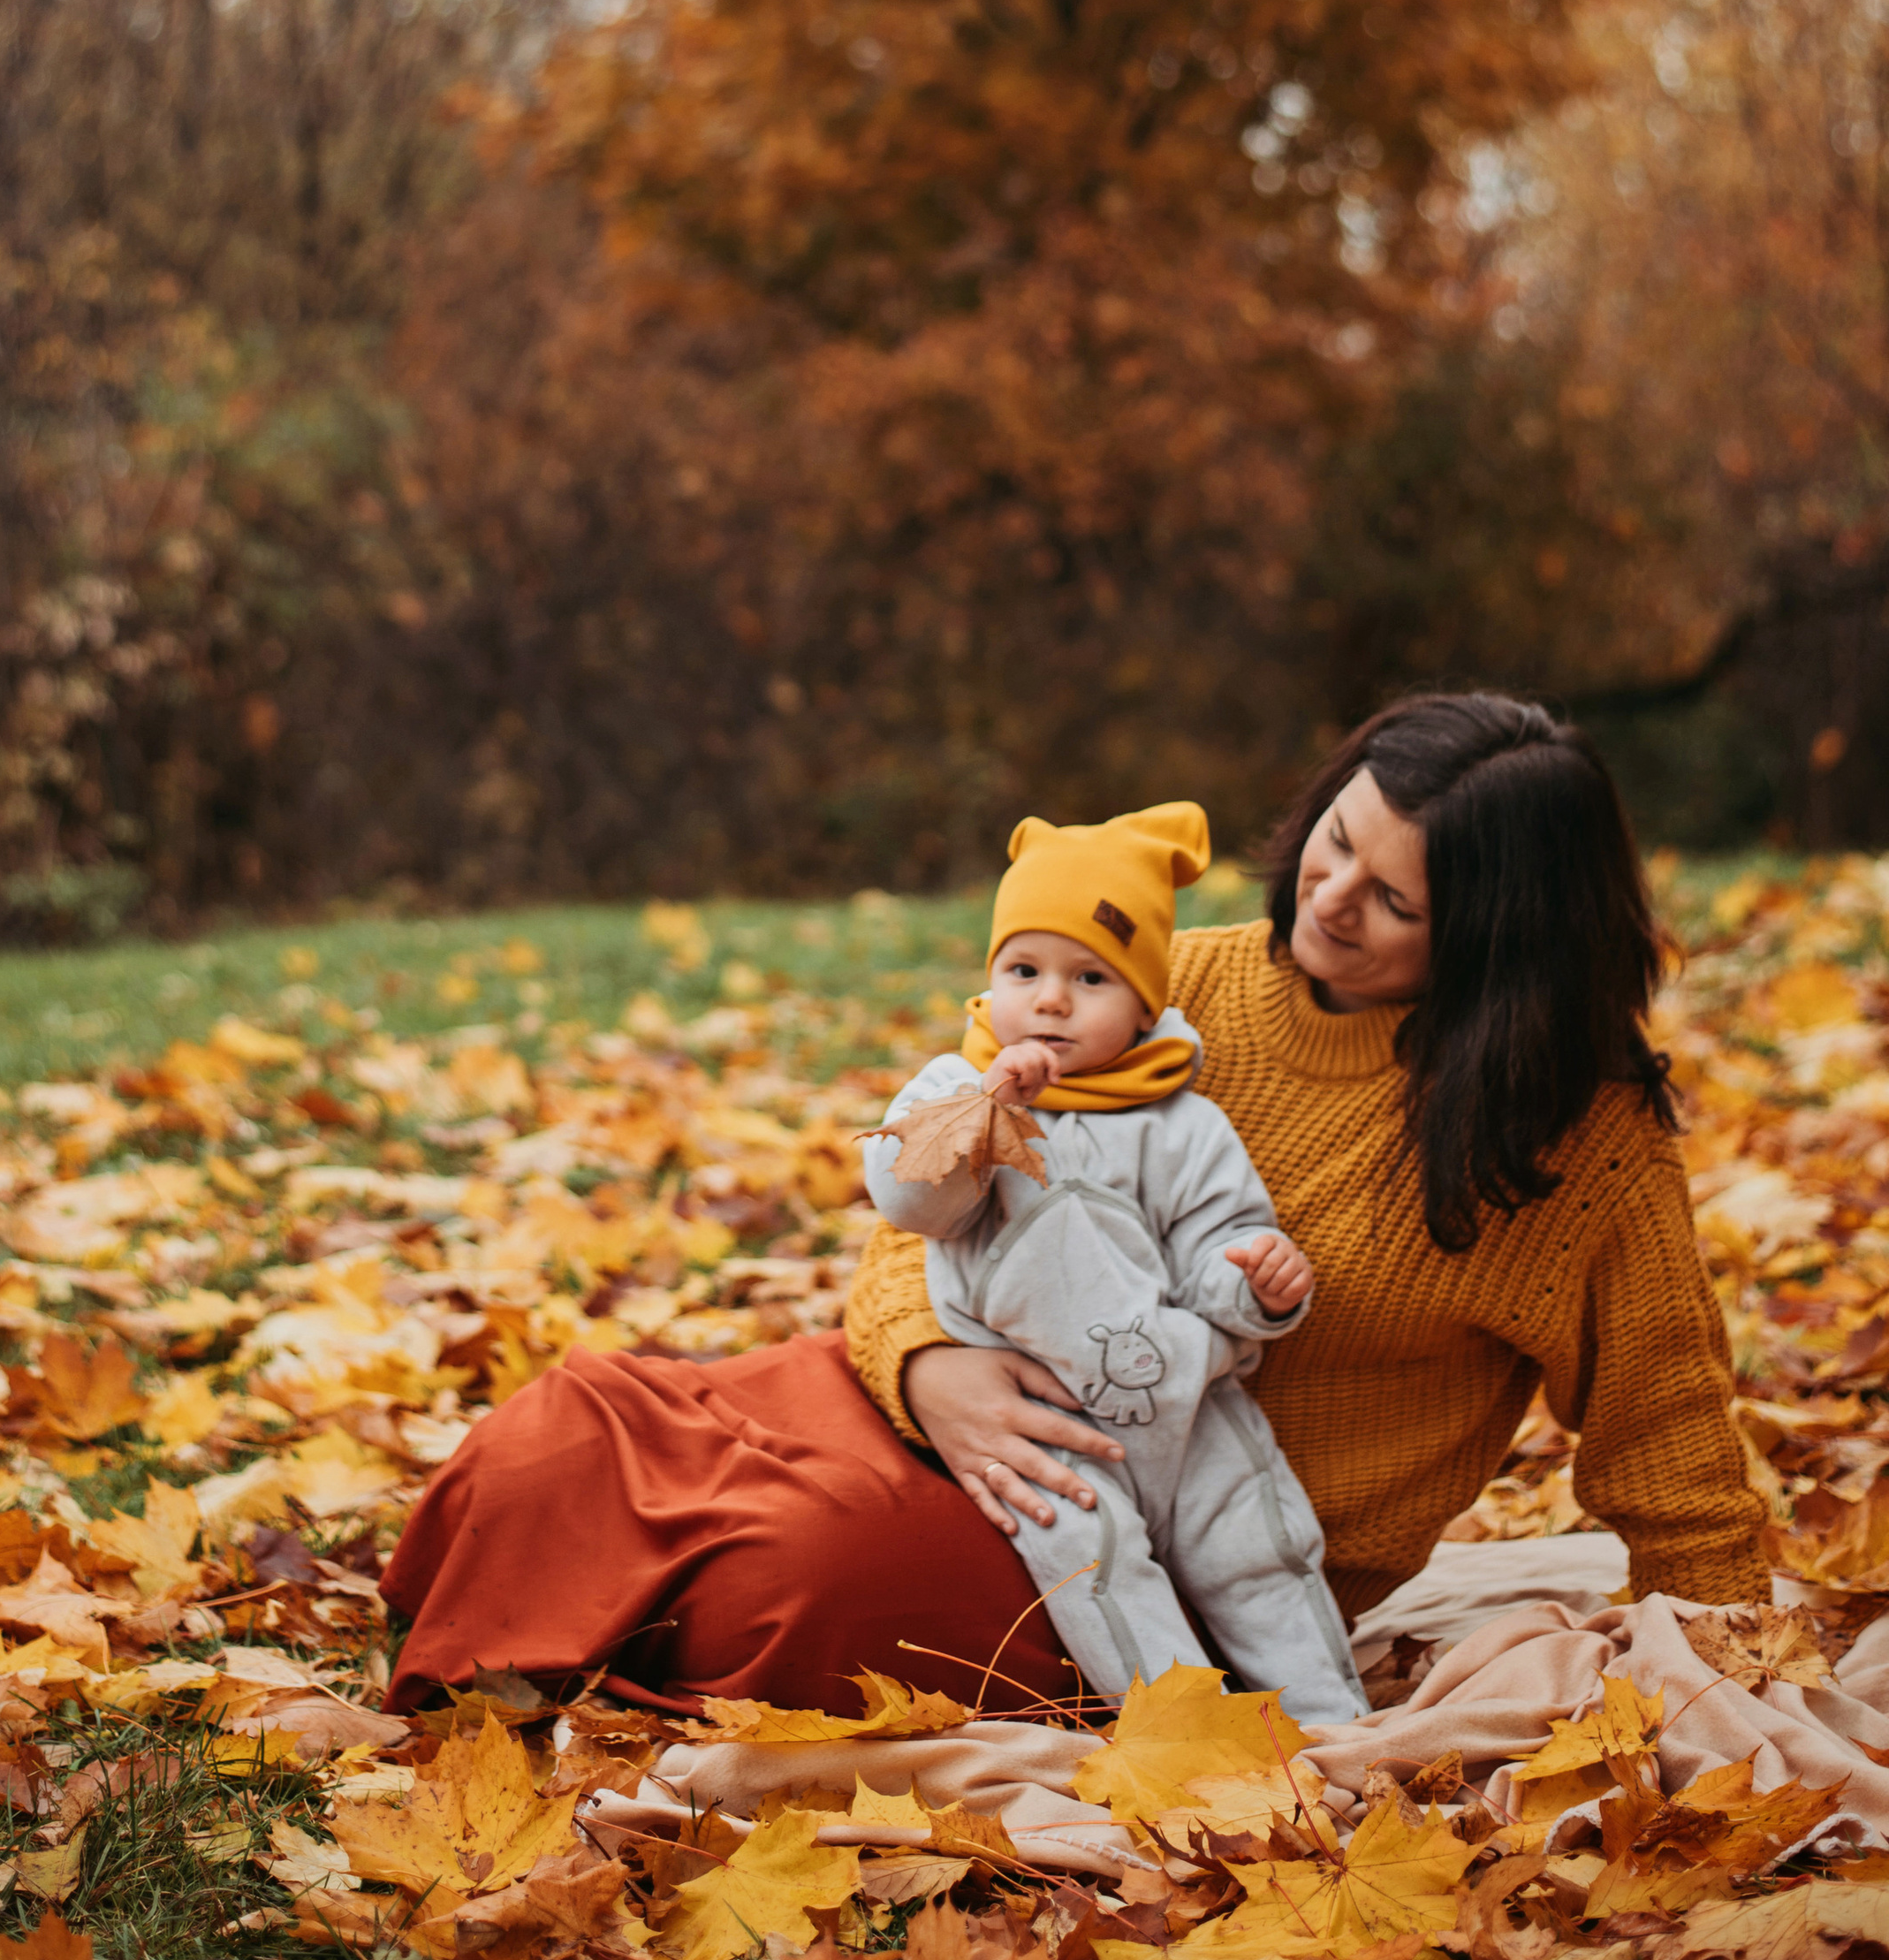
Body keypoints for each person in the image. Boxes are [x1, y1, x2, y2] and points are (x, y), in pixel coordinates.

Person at [382, 695, 1771, 1715]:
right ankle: (490, 1660)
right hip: (947, 1405)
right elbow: (922, 1198)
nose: (1330, 900)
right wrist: (935, 1372)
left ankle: (569, 1656)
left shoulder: (1573, 1144)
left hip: (1145, 1551)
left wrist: (1728, 1676)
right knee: (575, 1429)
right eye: (1336, 843)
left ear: (1494, 940)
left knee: (790, 1578)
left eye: (1393, 899)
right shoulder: (1175, 984)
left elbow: (1671, 1442)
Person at [864, 799, 1368, 1719]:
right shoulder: (952, 1087)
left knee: (1259, 1552)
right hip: (1041, 1414)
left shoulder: (1179, 1121)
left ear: (1143, 1005)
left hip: (1186, 1404)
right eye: (1024, 969)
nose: (1049, 999)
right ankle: (1183, 1735)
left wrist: (1255, 1279)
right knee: (1092, 1565)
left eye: (1088, 978)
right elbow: (908, 1201)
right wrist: (983, 1112)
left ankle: (1337, 1731)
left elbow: (1220, 1239)